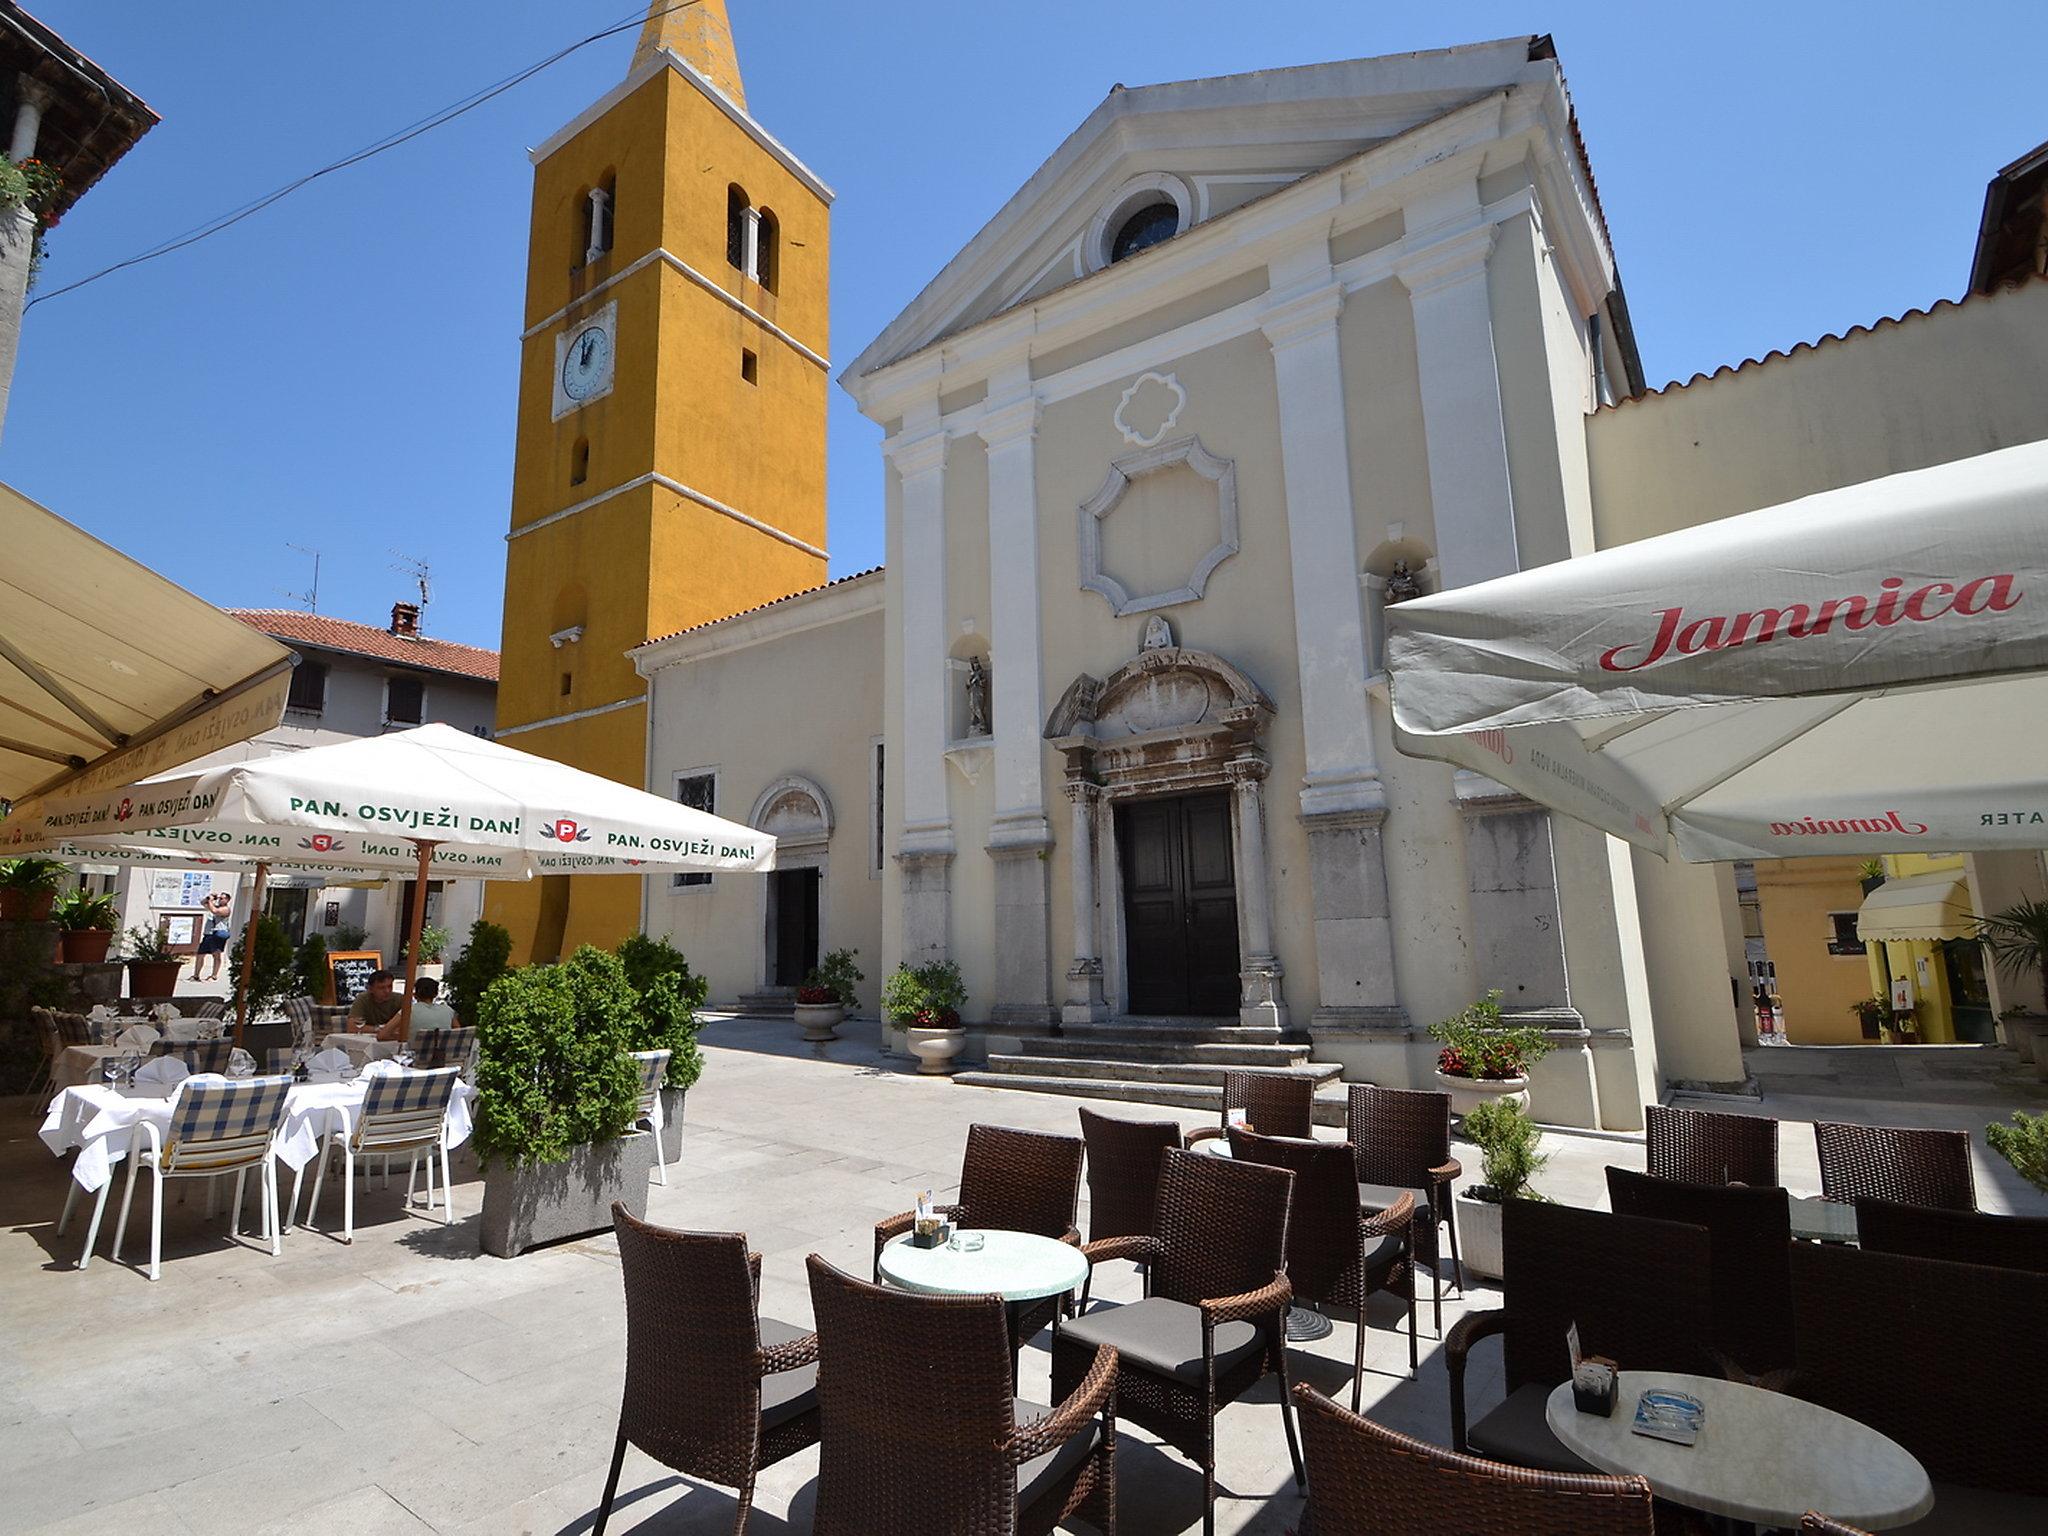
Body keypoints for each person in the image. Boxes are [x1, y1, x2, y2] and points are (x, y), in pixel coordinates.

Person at [346, 970, 406, 1038]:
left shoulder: (399, 999)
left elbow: (406, 1026)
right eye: (381, 988)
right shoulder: (363, 999)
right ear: (370, 989)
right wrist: (380, 1029)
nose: (387, 991)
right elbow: (352, 1028)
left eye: (390, 986)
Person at [192, 891, 233, 982]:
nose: (220, 900)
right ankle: (196, 975)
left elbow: (215, 911)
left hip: (218, 934)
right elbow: (203, 903)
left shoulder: (226, 909)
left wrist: (210, 901)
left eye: (222, 898)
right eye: (219, 898)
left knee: (216, 955)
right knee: (200, 954)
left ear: (227, 900)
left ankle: (214, 975)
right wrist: (209, 898)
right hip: (208, 934)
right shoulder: (213, 906)